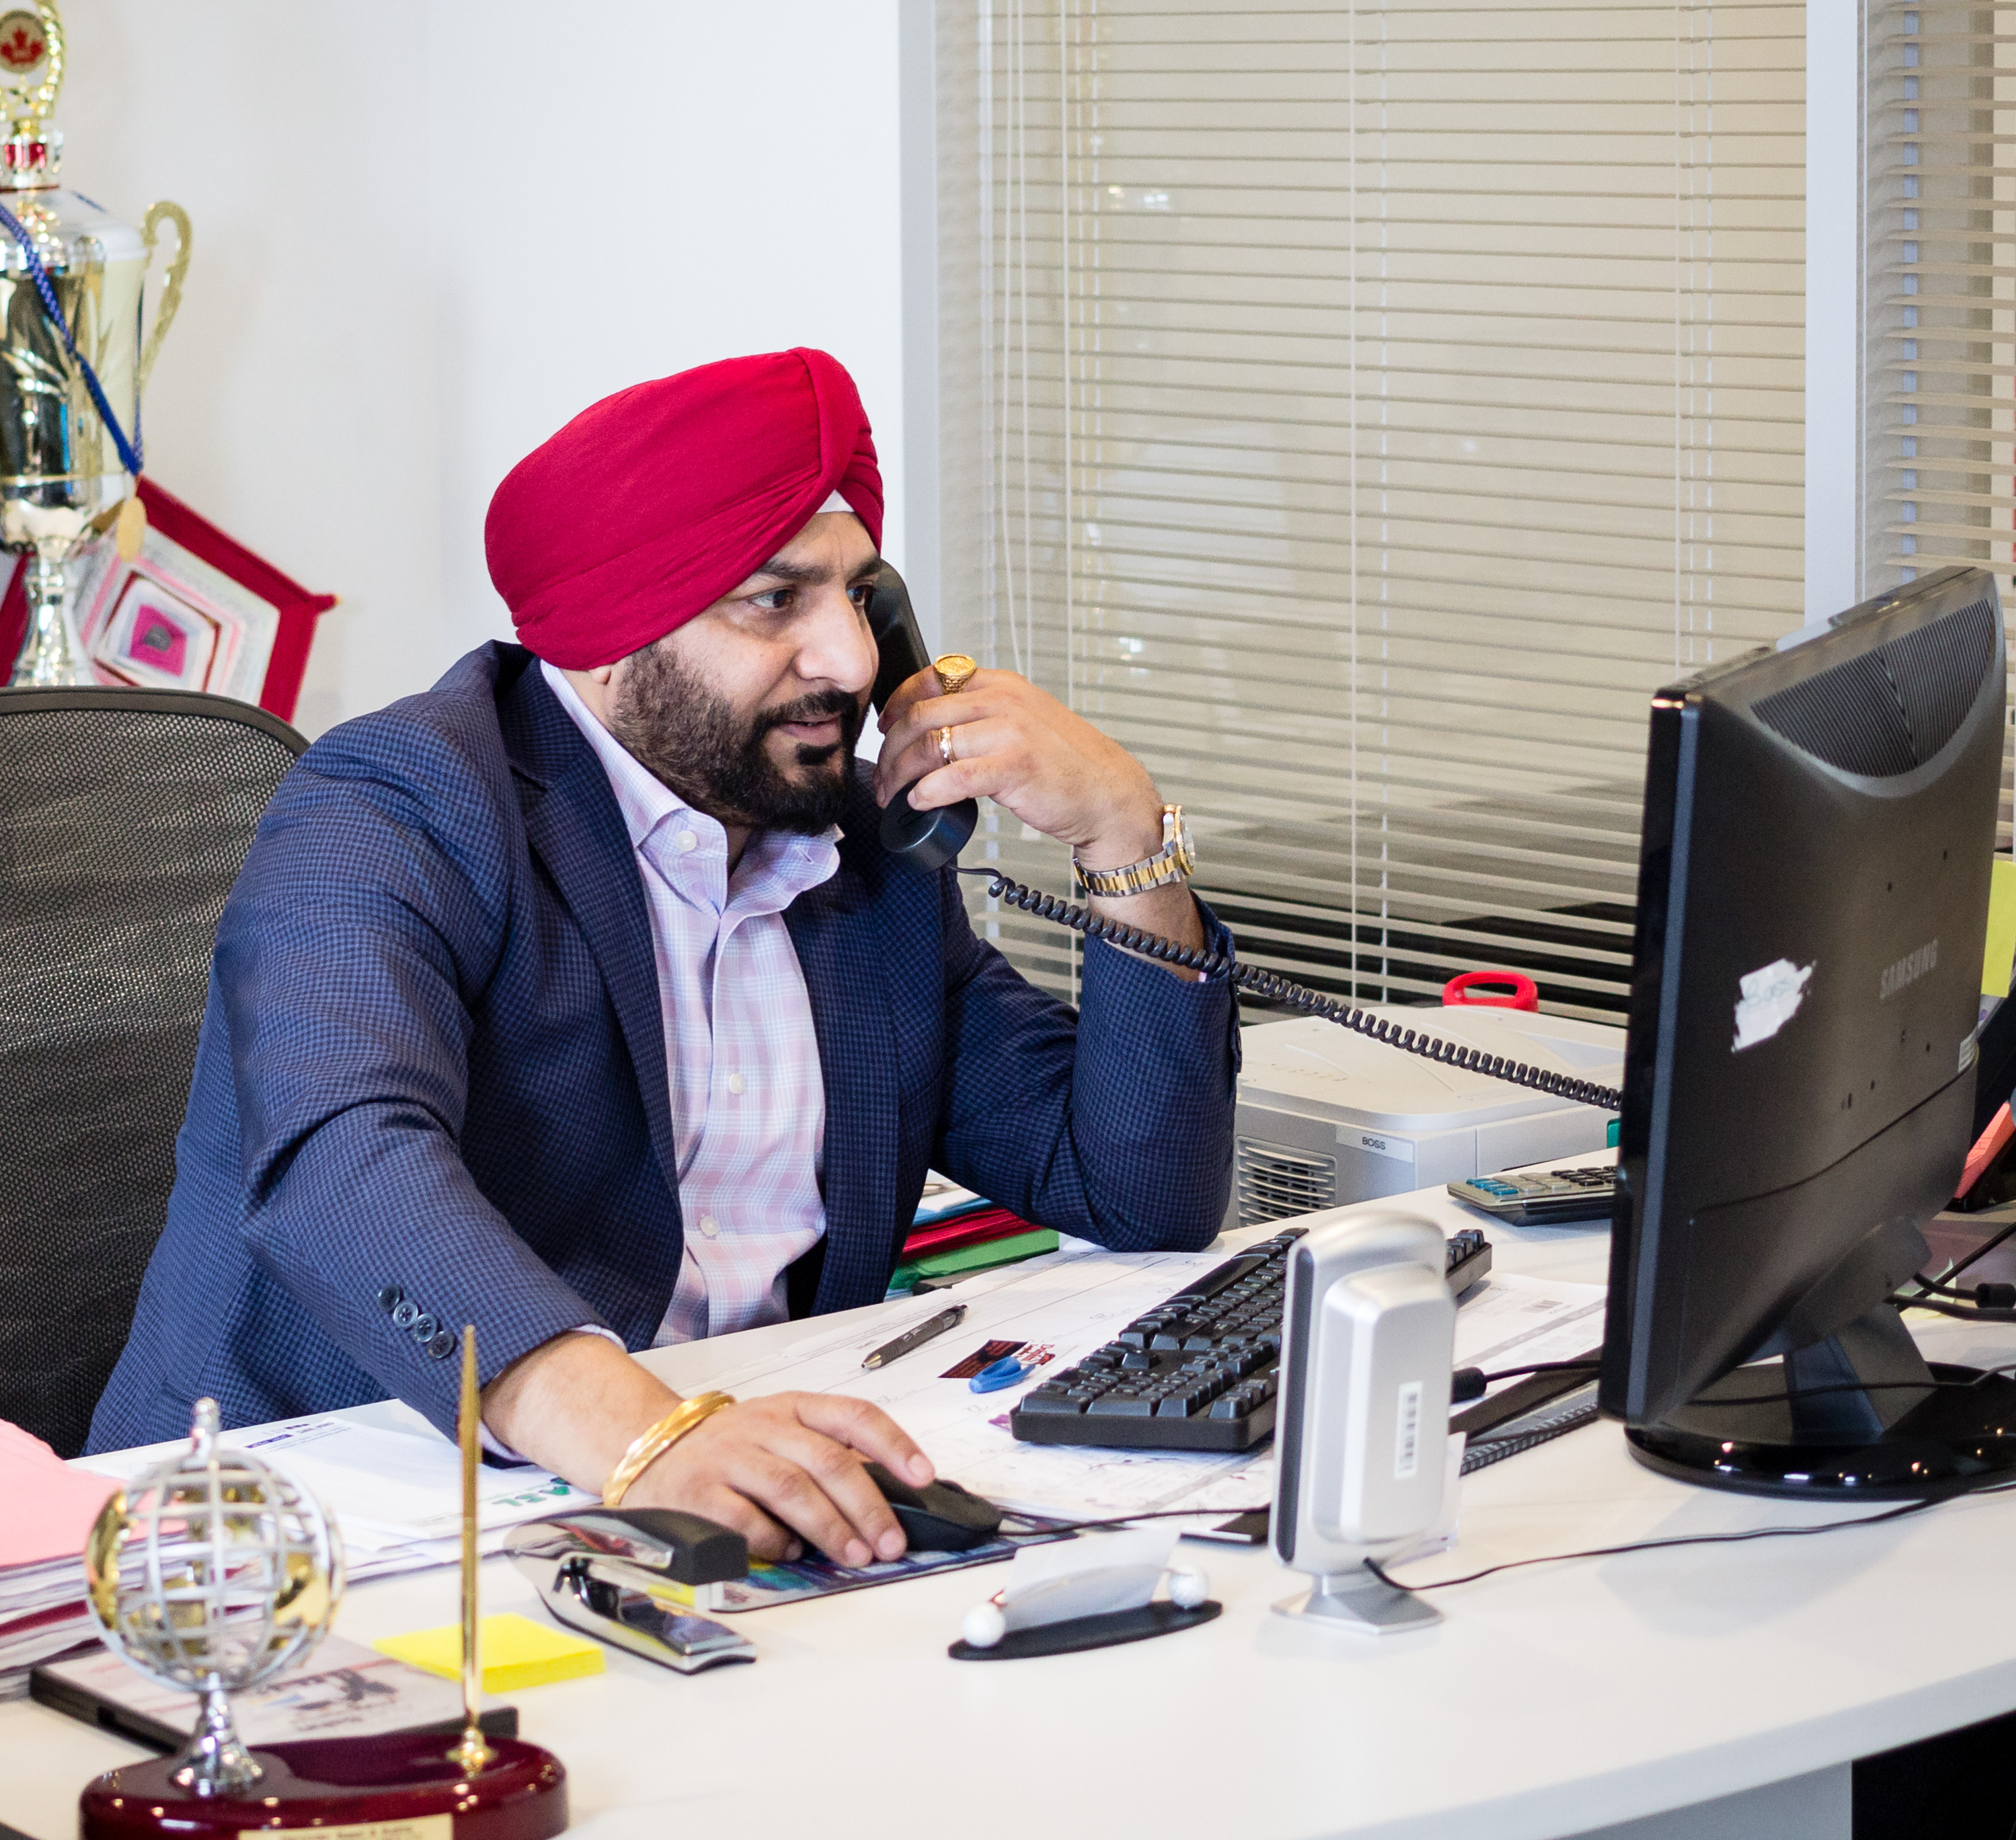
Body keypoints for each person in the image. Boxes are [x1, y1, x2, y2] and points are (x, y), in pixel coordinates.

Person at [90, 348, 1237, 1568]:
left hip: (721, 1504)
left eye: (860, 597)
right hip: (308, 1529)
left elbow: (1142, 1192)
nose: (853, 663)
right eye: (774, 600)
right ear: (609, 636)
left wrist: (1127, 835)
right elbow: (341, 1160)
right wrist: (648, 1437)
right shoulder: (399, 801)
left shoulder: (862, 860)